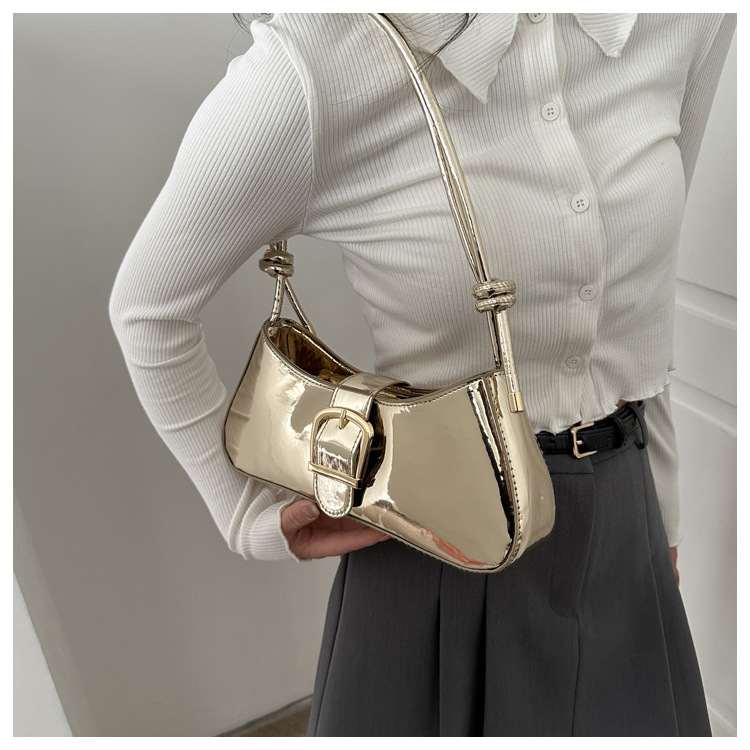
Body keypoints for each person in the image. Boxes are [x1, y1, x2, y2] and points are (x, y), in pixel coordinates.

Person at [110, 13, 735, 736]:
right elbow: (149, 309)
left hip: (623, 519)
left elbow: (642, 303)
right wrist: (243, 512)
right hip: (438, 537)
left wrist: (663, 509)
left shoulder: (680, 19)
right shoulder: (317, 63)